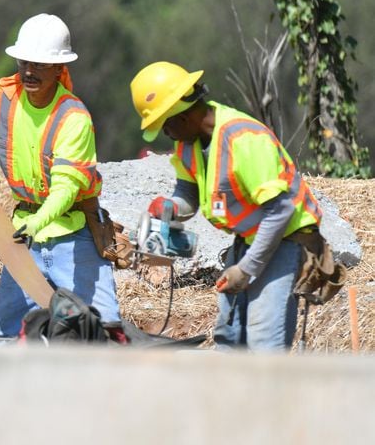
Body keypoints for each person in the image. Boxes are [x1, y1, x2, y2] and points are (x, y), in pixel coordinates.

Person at [130, 61, 324, 351]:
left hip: (285, 240)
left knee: (263, 340)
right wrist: (170, 206)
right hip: (248, 239)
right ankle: (231, 396)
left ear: (181, 117)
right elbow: (188, 193)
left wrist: (246, 269)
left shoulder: (244, 138)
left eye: (164, 126)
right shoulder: (190, 144)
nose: (166, 134)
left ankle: (269, 396)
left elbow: (280, 211)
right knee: (229, 334)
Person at [0, 13, 120, 338]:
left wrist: (37, 222)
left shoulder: (73, 117)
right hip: (25, 237)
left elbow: (66, 189)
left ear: (60, 69)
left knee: (103, 330)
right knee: (3, 332)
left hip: (74, 234)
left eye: (41, 65)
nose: (29, 71)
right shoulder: (1, 100)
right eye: (24, 62)